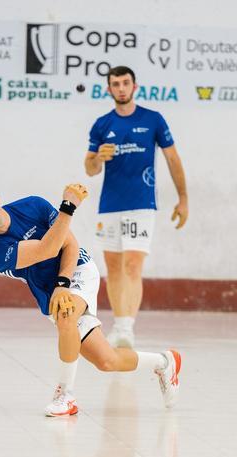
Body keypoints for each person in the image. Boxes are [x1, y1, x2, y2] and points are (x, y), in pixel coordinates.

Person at [0, 177, 182, 416]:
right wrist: (68, 206)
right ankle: (165, 363)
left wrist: (64, 283)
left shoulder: (34, 205)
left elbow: (70, 244)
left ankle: (65, 395)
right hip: (50, 292)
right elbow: (46, 250)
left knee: (66, 315)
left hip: (79, 270)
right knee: (106, 360)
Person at [84, 66, 189, 348]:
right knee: (113, 268)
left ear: (135, 86)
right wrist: (98, 160)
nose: (121, 88)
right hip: (109, 206)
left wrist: (183, 199)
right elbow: (90, 168)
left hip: (142, 204)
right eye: (115, 84)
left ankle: (127, 328)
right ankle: (119, 324)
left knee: (132, 265)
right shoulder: (101, 124)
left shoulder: (153, 119)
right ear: (108, 89)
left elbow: (173, 160)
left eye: (125, 83)